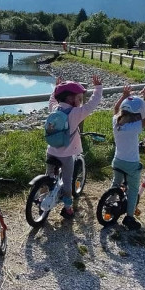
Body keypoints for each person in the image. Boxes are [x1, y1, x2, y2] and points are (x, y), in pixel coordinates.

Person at [47, 74, 103, 218]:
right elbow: (92, 103)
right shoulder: (76, 113)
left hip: (51, 151)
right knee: (68, 181)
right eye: (78, 98)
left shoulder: (54, 109)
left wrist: (55, 88)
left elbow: (52, 100)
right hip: (66, 155)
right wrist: (98, 88)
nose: (80, 101)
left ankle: (43, 194)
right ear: (70, 99)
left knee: (49, 177)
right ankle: (67, 208)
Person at [111, 84, 145, 230]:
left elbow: (116, 109)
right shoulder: (134, 127)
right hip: (131, 163)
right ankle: (129, 217)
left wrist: (124, 96)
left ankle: (110, 203)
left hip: (117, 160)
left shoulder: (116, 123)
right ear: (137, 116)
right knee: (133, 190)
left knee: (116, 183)